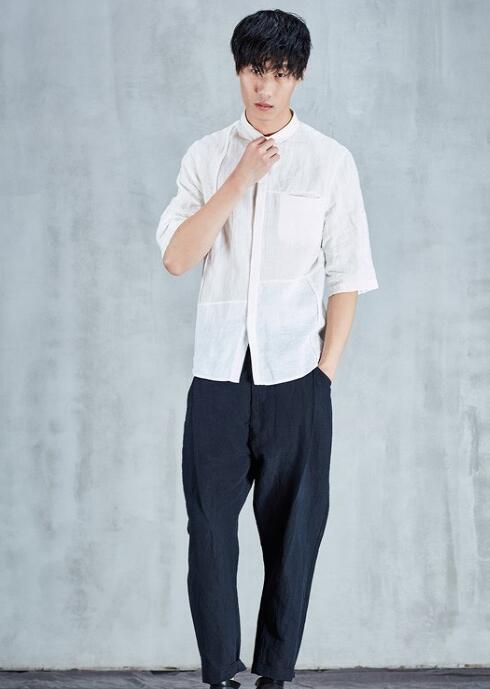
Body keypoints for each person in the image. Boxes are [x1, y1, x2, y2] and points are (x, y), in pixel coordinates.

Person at [155, 9, 379, 689]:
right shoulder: (205, 157)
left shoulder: (330, 161)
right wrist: (239, 179)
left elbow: (347, 276)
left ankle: (275, 675)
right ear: (237, 71)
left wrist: (324, 373)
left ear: (298, 77)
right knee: (209, 534)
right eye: (255, 70)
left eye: (280, 73)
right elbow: (177, 257)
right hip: (218, 379)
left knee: (295, 535)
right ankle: (219, 674)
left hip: (296, 379)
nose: (265, 86)